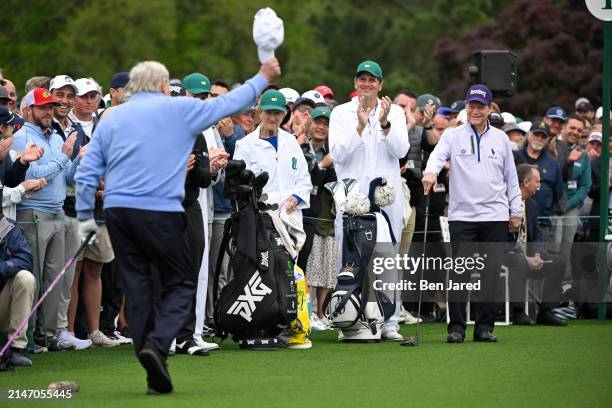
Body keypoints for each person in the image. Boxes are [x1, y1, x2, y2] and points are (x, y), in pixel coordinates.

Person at [75, 58, 280, 395]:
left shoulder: (112, 118)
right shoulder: (177, 111)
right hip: (159, 210)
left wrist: (85, 217)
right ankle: (157, 344)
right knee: (183, 283)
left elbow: (86, 171)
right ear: (160, 86)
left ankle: (151, 359)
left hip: (118, 213)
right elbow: (228, 103)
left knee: (139, 287)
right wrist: (263, 77)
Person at [423, 84, 522, 343]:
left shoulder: (501, 139)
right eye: (471, 106)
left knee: (491, 272)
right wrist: (430, 172)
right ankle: (456, 327)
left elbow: (511, 178)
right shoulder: (452, 135)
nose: (475, 111)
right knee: (461, 272)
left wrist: (516, 211)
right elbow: (436, 156)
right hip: (462, 215)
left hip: (495, 215)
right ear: (466, 107)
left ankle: (484, 328)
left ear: (489, 109)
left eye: (480, 106)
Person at [329, 60, 409, 341]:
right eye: (362, 79)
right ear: (355, 83)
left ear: (380, 84)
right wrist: (360, 128)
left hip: (386, 201)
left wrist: (384, 122)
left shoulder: (395, 112)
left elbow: (401, 150)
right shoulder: (340, 113)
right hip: (351, 198)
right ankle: (349, 321)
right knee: (351, 260)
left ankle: (389, 323)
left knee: (387, 260)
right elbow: (337, 154)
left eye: (372, 80)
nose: (366, 84)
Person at [13, 88, 83, 351]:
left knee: (58, 277)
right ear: (28, 109)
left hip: (58, 211)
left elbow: (66, 178)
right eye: (42, 107)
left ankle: (50, 334)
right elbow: (34, 175)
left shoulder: (54, 136)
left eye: (50, 107)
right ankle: (28, 338)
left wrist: (77, 160)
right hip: (33, 213)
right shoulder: (22, 137)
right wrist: (64, 156)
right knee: (35, 278)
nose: (48, 111)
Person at [504, 164, 566, 326]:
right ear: (525, 183)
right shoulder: (503, 203)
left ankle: (546, 311)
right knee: (518, 260)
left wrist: (537, 255)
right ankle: (518, 312)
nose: (539, 185)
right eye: (537, 181)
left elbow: (537, 235)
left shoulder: (531, 205)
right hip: (505, 255)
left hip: (528, 256)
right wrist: (525, 258)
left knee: (558, 262)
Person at [300, 106, 337, 330]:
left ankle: (316, 313)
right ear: (309, 124)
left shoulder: (330, 150)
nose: (321, 127)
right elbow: (307, 180)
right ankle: (303, 311)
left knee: (319, 265)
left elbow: (329, 184)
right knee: (304, 265)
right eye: (317, 122)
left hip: (320, 215)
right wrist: (322, 165)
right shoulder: (302, 147)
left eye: (326, 123)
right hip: (301, 212)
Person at [514, 121, 564, 242]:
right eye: (536, 134)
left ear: (547, 140)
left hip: (543, 221)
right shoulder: (515, 157)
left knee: (540, 257)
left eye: (543, 136)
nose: (539, 139)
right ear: (529, 135)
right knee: (516, 257)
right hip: (516, 220)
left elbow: (558, 192)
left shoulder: (553, 163)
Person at [0, 214, 36, 367]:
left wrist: (3, 267)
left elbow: (25, 259)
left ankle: (16, 349)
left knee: (25, 278)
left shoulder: (9, 228)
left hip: (2, 302)